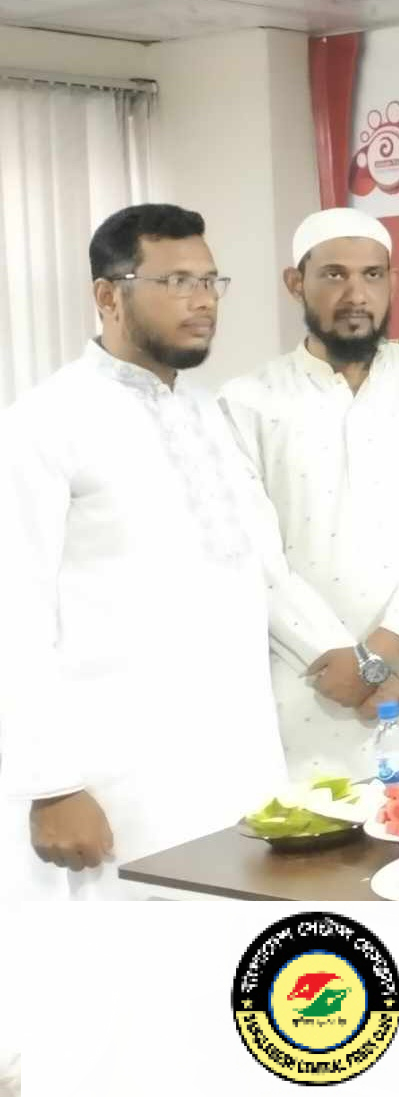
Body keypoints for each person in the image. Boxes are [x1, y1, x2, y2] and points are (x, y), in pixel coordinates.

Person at [0, 205, 304, 898]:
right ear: (108, 295)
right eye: (176, 282)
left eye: (210, 281)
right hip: (120, 789)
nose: (203, 300)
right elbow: (12, 613)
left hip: (241, 768)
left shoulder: (207, 411)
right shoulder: (44, 425)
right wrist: (51, 785)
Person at [220, 207, 399, 780]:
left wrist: (381, 655)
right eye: (334, 275)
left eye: (372, 275)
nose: (356, 294)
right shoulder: (245, 402)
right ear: (295, 282)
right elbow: (251, 553)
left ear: (392, 282)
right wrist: (338, 657)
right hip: (312, 689)